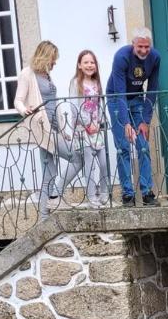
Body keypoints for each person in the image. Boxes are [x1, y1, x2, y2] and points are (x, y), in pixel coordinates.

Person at [14, 41, 82, 220]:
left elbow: (53, 102)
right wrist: (24, 111)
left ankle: (44, 217)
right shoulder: (27, 73)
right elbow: (18, 100)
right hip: (43, 128)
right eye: (53, 58)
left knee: (49, 173)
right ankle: (54, 196)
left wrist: (62, 128)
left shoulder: (47, 75)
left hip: (54, 127)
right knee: (76, 158)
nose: (55, 62)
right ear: (45, 56)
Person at [105, 28, 160, 207]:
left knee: (143, 146)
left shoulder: (155, 58)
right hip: (116, 98)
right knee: (123, 148)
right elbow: (120, 92)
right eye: (140, 47)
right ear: (133, 44)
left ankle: (147, 192)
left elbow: (152, 89)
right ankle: (128, 193)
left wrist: (145, 120)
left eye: (147, 47)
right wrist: (126, 122)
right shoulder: (121, 56)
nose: (144, 51)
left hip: (137, 99)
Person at [66, 50, 109, 208]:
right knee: (90, 164)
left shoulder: (97, 83)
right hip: (82, 129)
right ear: (79, 65)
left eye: (92, 62)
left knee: (104, 162)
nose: (90, 65)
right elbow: (74, 106)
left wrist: (101, 122)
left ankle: (104, 192)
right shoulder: (75, 82)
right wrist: (86, 124)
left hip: (96, 128)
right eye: (86, 62)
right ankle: (92, 197)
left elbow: (99, 105)